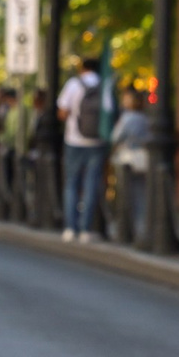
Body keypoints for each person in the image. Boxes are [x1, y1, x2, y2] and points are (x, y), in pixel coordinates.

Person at [59, 56, 107, 240]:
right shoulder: (105, 85)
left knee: (71, 184)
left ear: (82, 68)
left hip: (74, 140)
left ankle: (70, 228)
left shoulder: (74, 84)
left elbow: (62, 112)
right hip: (98, 142)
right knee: (91, 185)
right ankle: (86, 230)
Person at [110, 86, 151, 239]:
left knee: (127, 194)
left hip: (127, 158)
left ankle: (127, 228)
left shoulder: (127, 118)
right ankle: (142, 227)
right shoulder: (145, 118)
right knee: (141, 194)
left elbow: (116, 137)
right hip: (143, 158)